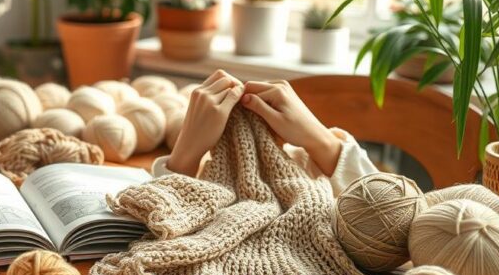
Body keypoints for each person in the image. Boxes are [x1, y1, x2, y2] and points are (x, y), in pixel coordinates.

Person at [152, 70, 377, 195]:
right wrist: (184, 156)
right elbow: (155, 225)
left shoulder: (303, 171)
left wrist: (322, 141)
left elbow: (395, 216)